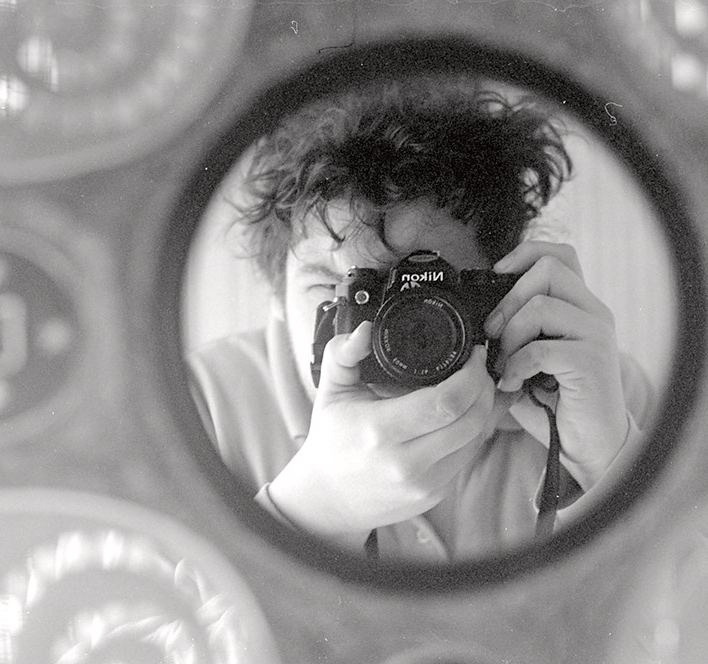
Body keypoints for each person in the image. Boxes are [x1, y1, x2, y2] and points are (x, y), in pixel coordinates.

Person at [187, 76, 656, 561]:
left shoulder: (595, 390)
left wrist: (608, 462)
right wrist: (309, 511)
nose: (376, 332)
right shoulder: (203, 405)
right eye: (338, 292)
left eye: (417, 289)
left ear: (498, 284)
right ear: (278, 298)